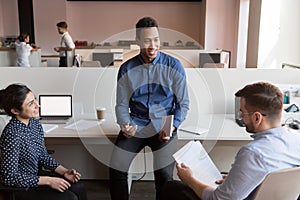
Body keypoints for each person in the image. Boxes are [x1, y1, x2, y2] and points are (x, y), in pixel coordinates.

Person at [162, 81, 300, 200]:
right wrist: (236, 180)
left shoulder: (252, 153)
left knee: (172, 188)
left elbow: (218, 199)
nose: (241, 117)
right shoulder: (296, 138)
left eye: (242, 113)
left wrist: (189, 179)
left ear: (257, 118)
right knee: (222, 175)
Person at [109, 16, 190, 200]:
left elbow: (183, 104)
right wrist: (125, 123)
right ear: (137, 41)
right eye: (147, 40)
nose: (152, 45)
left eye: (156, 40)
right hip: (136, 124)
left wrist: (173, 126)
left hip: (164, 127)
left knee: (164, 176)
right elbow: (121, 104)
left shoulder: (174, 66)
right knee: (116, 168)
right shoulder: (126, 68)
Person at [0, 83, 87, 200]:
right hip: (21, 187)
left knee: (78, 186)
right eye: (31, 103)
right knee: (69, 197)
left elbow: (42, 155)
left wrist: (64, 172)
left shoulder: (34, 123)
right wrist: (49, 181)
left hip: (35, 176)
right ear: (15, 111)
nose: (38, 105)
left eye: (34, 99)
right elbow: (9, 177)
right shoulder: (12, 134)